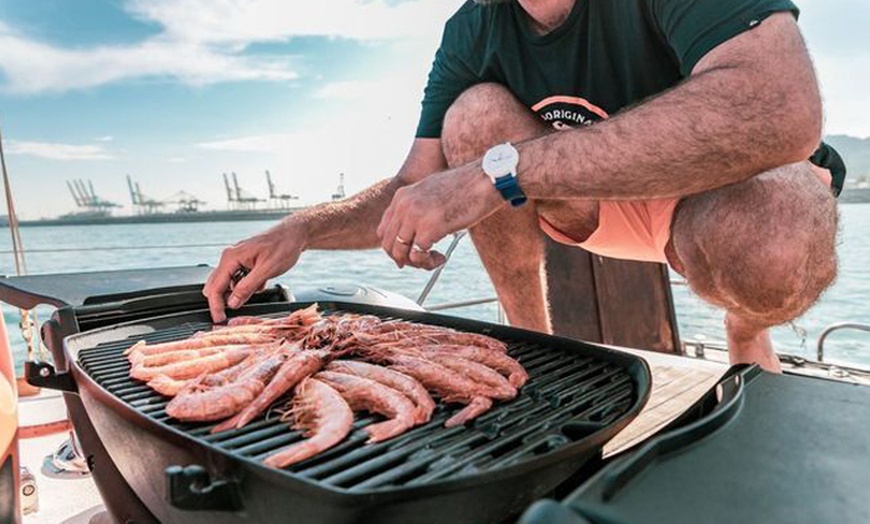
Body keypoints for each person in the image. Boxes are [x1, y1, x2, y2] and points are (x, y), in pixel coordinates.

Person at [204, 0, 846, 373]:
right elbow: (418, 183)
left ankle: (745, 325)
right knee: (475, 115)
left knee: (769, 246)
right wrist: (300, 230)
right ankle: (533, 347)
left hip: (728, 183)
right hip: (590, 204)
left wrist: (504, 174)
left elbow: (777, 106)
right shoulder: (473, 27)